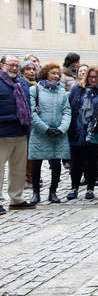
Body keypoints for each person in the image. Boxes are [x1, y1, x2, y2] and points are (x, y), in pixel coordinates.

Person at [28, 63, 71, 204]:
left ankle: (53, 192)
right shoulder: (35, 90)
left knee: (56, 163)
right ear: (46, 73)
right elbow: (32, 112)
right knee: (36, 164)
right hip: (40, 133)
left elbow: (66, 111)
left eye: (58, 74)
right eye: (53, 73)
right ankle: (36, 193)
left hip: (58, 134)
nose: (56, 76)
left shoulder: (61, 92)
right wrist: (45, 128)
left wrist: (62, 128)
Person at [0, 56, 36, 211]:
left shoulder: (22, 83)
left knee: (18, 168)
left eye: (16, 65)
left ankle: (16, 199)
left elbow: (28, 106)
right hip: (2, 133)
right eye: (10, 65)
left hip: (21, 132)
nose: (14, 68)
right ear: (2, 65)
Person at [67, 66, 98, 200]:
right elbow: (71, 107)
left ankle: (90, 188)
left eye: (96, 77)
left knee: (93, 161)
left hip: (96, 131)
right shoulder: (77, 89)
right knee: (76, 162)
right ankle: (74, 187)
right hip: (77, 130)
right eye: (91, 77)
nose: (93, 80)